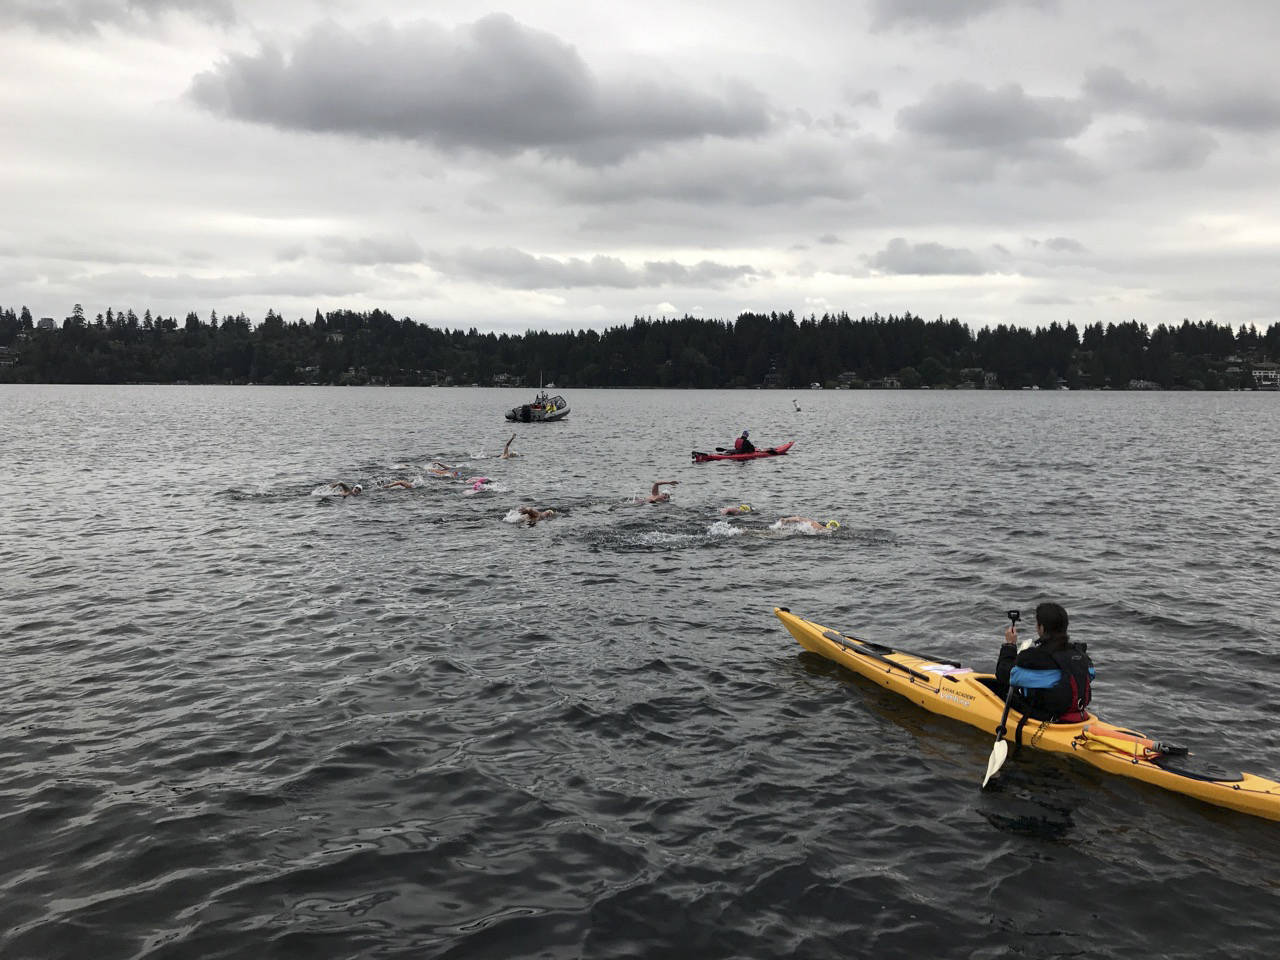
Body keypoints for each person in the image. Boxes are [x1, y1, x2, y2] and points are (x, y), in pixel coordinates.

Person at [995, 602, 1094, 722]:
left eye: (1037, 624)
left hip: (1046, 717)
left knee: (1002, 688)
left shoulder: (1034, 656)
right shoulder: (1079, 654)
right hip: (1077, 713)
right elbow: (1091, 673)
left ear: (1041, 628)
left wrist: (1009, 645)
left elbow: (1005, 675)